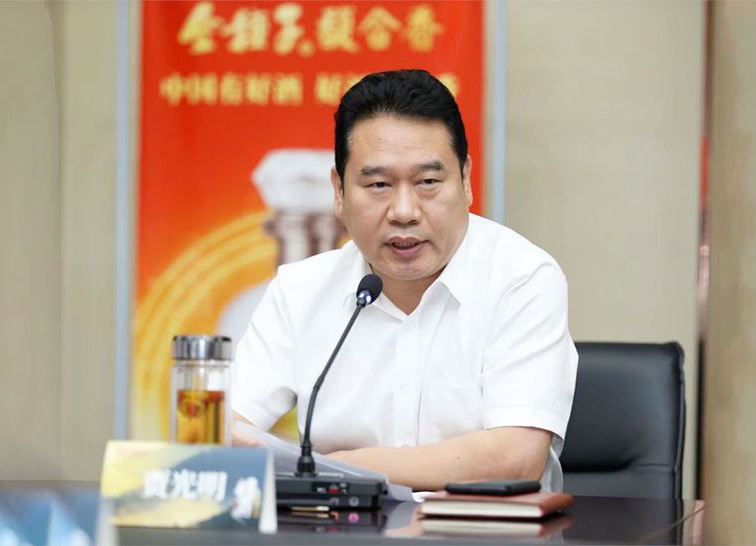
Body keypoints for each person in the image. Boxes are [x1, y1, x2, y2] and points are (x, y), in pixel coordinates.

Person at [232, 69, 577, 492]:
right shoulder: (300, 291)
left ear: (466, 180)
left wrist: (329, 470)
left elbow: (515, 457)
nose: (404, 211)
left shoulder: (522, 280)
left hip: (478, 527)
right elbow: (227, 428)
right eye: (378, 184)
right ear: (339, 191)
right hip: (335, 525)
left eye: (428, 182)